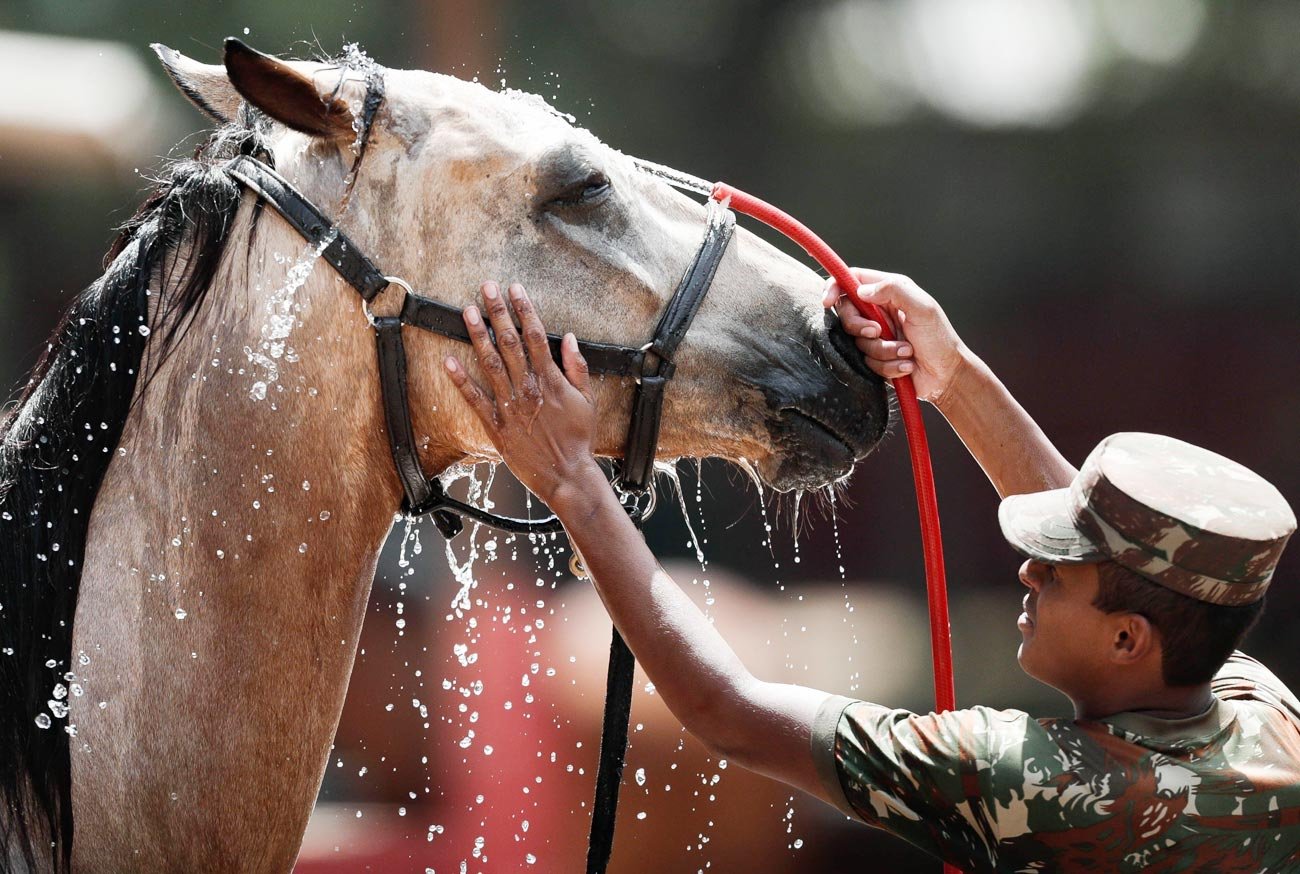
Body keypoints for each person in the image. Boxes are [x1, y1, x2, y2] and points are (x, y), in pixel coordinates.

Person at [441, 275, 1299, 871]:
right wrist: (952, 373)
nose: (1030, 571)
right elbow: (1120, 553)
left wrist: (571, 482)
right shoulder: (1255, 712)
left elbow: (729, 714)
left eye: (1060, 573)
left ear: (1127, 638)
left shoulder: (1048, 782)